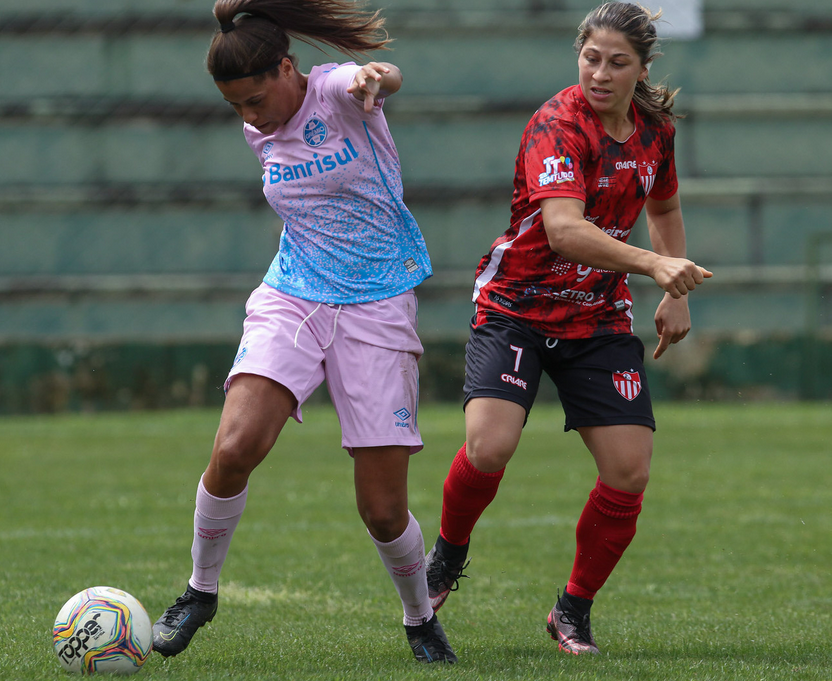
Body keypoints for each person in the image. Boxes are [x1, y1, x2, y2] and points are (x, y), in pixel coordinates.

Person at [150, 0, 456, 664]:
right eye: (237, 106)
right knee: (234, 446)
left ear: (288, 69)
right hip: (294, 295)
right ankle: (200, 591)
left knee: (382, 510)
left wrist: (375, 77)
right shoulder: (258, 129)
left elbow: (380, 75)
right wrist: (256, 112)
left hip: (377, 302)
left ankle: (419, 617)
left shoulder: (338, 91)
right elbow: (267, 133)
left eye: (257, 99)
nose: (251, 116)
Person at [423, 1, 712, 656]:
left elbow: (665, 206)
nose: (600, 74)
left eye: (617, 63)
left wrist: (676, 295)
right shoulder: (556, 124)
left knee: (629, 472)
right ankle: (447, 553)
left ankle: (572, 610)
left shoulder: (655, 131)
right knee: (489, 447)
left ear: (643, 69)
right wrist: (654, 264)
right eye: (590, 58)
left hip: (597, 316)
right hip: (517, 305)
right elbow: (563, 231)